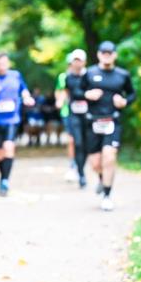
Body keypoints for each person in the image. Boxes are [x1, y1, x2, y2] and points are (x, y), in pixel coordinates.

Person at [76, 41, 136, 211]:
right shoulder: (89, 73)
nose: (107, 55)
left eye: (110, 53)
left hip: (113, 121)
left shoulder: (122, 75)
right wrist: (87, 94)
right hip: (93, 122)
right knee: (95, 163)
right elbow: (76, 92)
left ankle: (107, 195)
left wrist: (124, 102)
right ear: (98, 54)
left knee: (109, 156)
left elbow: (132, 94)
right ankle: (103, 180)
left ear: (115, 55)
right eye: (104, 52)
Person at [0, 51, 35, 196]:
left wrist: (27, 98)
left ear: (8, 63)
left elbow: (23, 90)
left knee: (9, 147)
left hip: (12, 119)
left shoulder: (16, 75)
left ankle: (5, 180)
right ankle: (2, 177)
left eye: (4, 63)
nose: (2, 66)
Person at [55, 49, 89, 187]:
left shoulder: (90, 75)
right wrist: (59, 101)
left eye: (79, 60)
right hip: (70, 113)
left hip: (88, 115)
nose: (77, 63)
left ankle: (79, 165)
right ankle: (75, 168)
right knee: (74, 141)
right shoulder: (65, 77)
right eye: (74, 60)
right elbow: (62, 92)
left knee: (85, 143)